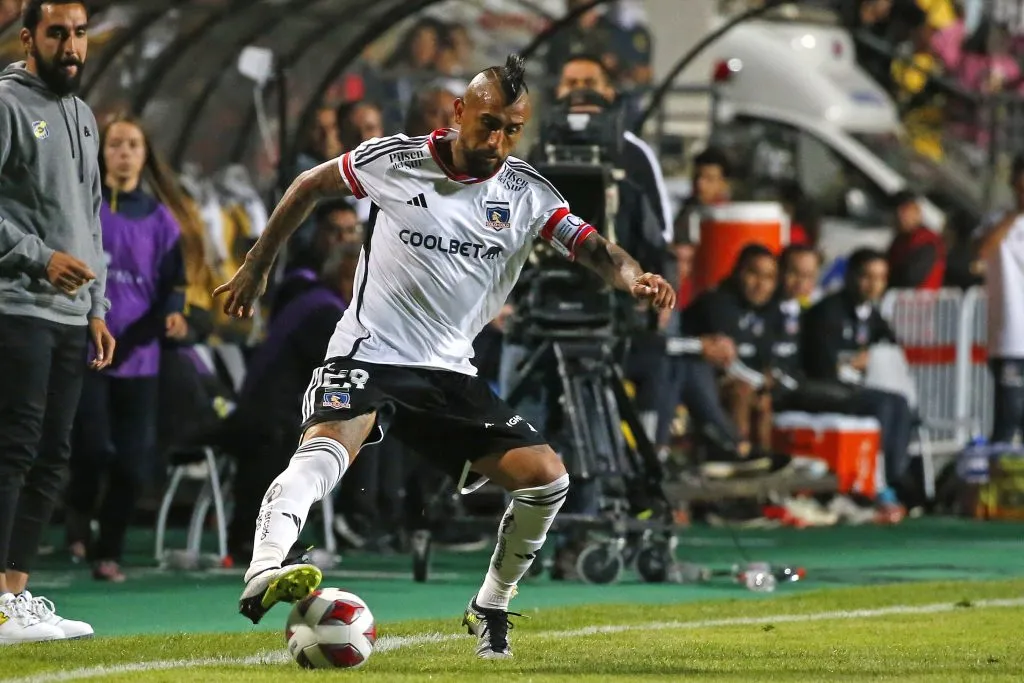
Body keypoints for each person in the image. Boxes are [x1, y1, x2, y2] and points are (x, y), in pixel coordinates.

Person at [214, 53, 674, 659]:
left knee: (548, 480)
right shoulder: (395, 161)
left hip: (450, 372)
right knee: (326, 450)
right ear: (459, 111)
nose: (498, 140)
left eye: (512, 129)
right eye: (488, 123)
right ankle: (265, 567)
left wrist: (636, 277)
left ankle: (492, 604)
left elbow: (595, 249)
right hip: (370, 354)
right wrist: (256, 265)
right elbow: (307, 187)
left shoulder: (527, 193)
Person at [0, 0, 115, 643]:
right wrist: (39, 259)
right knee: (11, 452)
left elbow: (91, 217)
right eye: (57, 34)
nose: (72, 46)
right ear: (28, 39)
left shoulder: (82, 113)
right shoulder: (6, 106)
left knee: (51, 457)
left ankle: (14, 596)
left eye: (79, 34)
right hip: (13, 309)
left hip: (72, 317)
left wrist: (97, 308)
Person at [64, 115, 187, 583]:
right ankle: (77, 513)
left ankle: (107, 550)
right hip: (85, 350)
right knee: (92, 450)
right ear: (104, 152)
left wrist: (173, 315)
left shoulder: (161, 220)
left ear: (144, 154)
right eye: (116, 144)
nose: (124, 152)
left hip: (139, 359)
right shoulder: (82, 209)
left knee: (133, 466)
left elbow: (175, 285)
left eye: (133, 144)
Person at [973, 155, 1024, 443]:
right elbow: (979, 250)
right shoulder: (998, 221)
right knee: (1008, 416)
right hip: (1010, 339)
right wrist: (1014, 215)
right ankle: (1000, 482)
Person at [887, 190, 946, 289]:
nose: (899, 216)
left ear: (917, 212)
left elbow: (911, 276)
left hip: (917, 302)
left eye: (905, 210)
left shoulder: (927, 241)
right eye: (896, 211)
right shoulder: (900, 239)